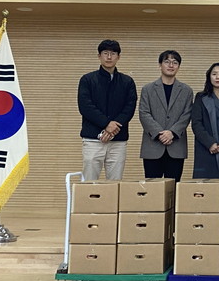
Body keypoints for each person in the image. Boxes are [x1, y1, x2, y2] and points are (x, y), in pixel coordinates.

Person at [77, 39, 137, 181]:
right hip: (93, 139)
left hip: (118, 140)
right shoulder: (87, 79)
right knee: (89, 182)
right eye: (105, 53)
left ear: (118, 57)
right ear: (99, 56)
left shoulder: (127, 81)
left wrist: (113, 128)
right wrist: (106, 124)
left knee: (115, 183)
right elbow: (85, 106)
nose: (109, 57)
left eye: (113, 53)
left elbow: (130, 107)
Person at [138, 50, 193, 182]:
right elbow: (144, 113)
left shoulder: (186, 90)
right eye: (167, 62)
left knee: (173, 187)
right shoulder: (148, 89)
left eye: (175, 62)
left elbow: (187, 115)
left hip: (176, 146)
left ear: (179, 66)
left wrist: (172, 133)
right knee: (152, 188)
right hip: (152, 146)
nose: (171, 65)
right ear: (160, 65)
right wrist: (160, 133)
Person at [191, 62, 219, 179]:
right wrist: (210, 143)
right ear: (209, 77)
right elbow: (196, 124)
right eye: (214, 74)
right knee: (207, 185)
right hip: (206, 147)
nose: (218, 77)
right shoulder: (200, 97)